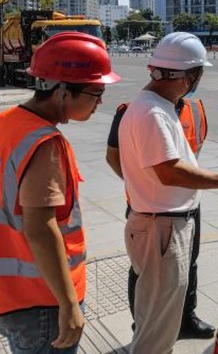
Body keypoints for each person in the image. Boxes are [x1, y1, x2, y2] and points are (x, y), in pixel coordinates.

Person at [118, 32, 218, 353]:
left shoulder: (155, 106)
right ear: (187, 76)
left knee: (157, 320)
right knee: (156, 330)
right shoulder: (152, 113)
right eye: (198, 74)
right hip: (161, 228)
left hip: (161, 224)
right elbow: (170, 171)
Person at [0, 32, 120, 352]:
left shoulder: (8, 123)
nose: (100, 102)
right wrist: (68, 303)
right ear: (63, 91)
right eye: (96, 92)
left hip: (12, 294)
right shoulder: (44, 144)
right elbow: (40, 228)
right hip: (42, 300)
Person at [106, 94, 213, 339]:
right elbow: (112, 156)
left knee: (189, 262)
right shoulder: (133, 111)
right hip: (148, 207)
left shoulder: (195, 109)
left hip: (187, 203)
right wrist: (141, 184)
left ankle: (186, 318)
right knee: (143, 270)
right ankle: (141, 324)